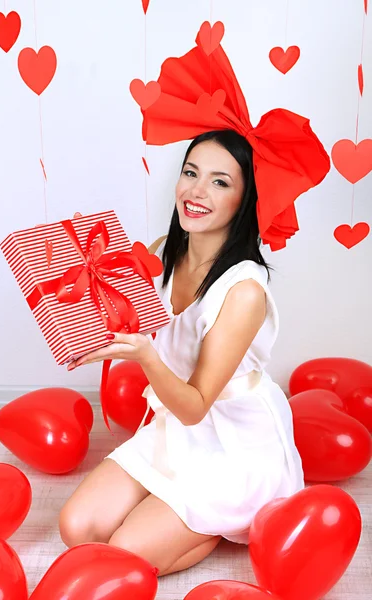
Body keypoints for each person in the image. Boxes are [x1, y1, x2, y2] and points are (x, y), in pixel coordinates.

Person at [59, 22, 330, 577]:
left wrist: (144, 357)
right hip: (172, 426)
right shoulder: (163, 251)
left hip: (231, 439)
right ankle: (178, 513)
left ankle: (210, 527)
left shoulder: (246, 291)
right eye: (190, 173)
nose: (196, 192)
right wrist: (87, 322)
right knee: (76, 529)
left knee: (124, 554)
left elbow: (197, 403)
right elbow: (124, 318)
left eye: (220, 182)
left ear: (246, 201)